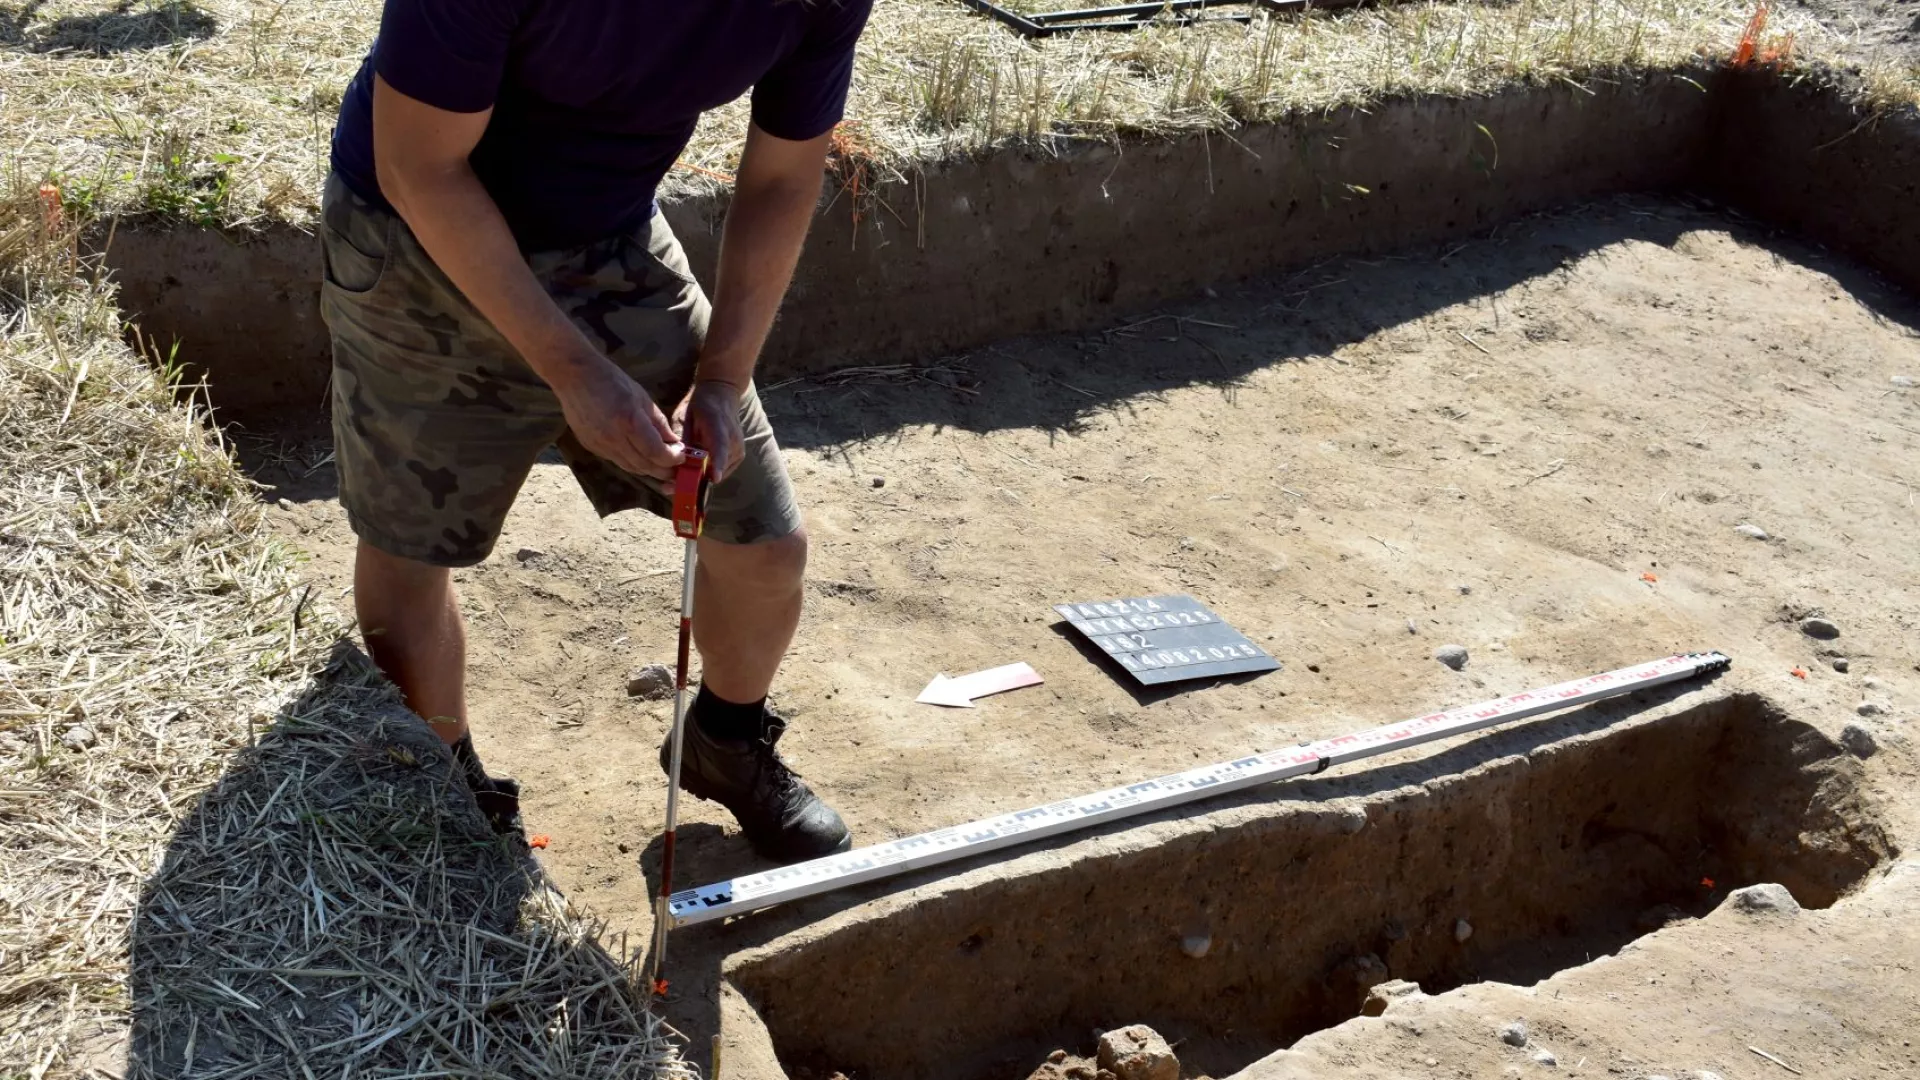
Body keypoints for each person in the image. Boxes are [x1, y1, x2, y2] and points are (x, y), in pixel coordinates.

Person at [321, 0, 873, 863]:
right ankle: (445, 785)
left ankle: (725, 743)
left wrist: (722, 378)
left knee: (764, 543)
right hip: (414, 241)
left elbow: (780, 178)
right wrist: (574, 372)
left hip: (605, 235)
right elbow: (418, 166)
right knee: (411, 548)